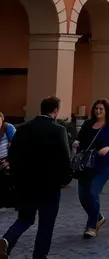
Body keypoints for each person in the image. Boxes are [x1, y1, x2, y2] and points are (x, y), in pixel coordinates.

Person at [1, 97, 71, 259]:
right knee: (46, 223)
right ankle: (39, 256)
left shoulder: (24, 128)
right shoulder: (58, 130)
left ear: (41, 109)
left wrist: (18, 176)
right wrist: (65, 178)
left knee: (25, 218)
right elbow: (64, 158)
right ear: (56, 110)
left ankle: (7, 240)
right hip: (50, 184)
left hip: (26, 183)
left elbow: (13, 155)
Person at [74, 99, 109, 238]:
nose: (98, 111)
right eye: (96, 109)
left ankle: (91, 226)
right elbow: (80, 138)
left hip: (104, 164)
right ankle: (98, 217)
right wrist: (77, 143)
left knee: (93, 191)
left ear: (106, 110)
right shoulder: (88, 124)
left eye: (101, 109)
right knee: (83, 196)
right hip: (86, 164)